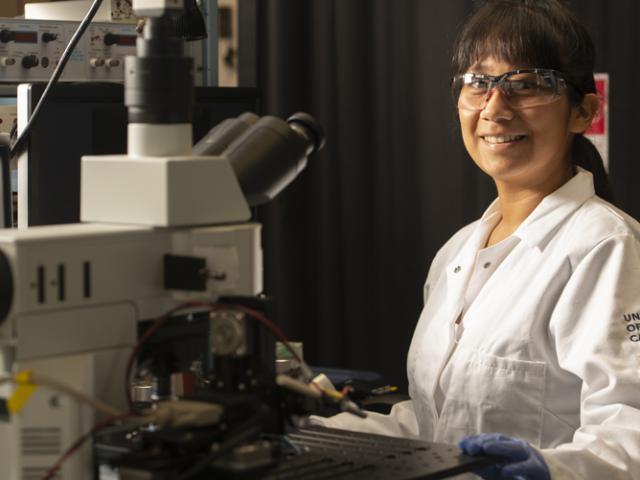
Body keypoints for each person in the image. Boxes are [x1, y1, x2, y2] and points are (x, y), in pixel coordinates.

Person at [311, 1, 640, 479]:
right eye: (478, 83)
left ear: (583, 111)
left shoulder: (608, 248)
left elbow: (630, 433)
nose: (495, 108)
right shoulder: (458, 252)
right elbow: (434, 425)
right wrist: (304, 433)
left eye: (526, 84)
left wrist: (551, 469)